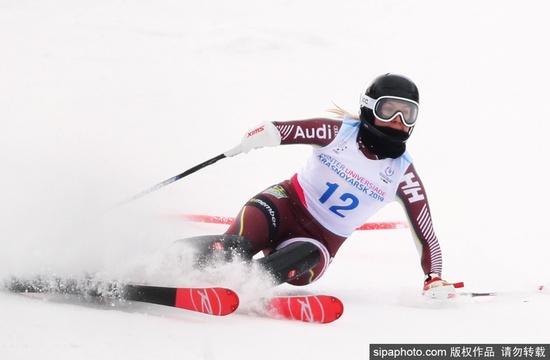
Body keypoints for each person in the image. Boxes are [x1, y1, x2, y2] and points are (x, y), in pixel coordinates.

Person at [187, 73, 450, 294]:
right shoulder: (339, 133)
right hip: (282, 205)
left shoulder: (403, 175)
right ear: (370, 107)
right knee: (237, 245)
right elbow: (285, 130)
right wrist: (266, 132)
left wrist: (434, 277)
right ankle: (171, 259)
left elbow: (426, 235)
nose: (398, 120)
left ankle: (239, 285)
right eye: (389, 109)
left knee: (302, 257)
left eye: (408, 114)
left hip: (319, 240)